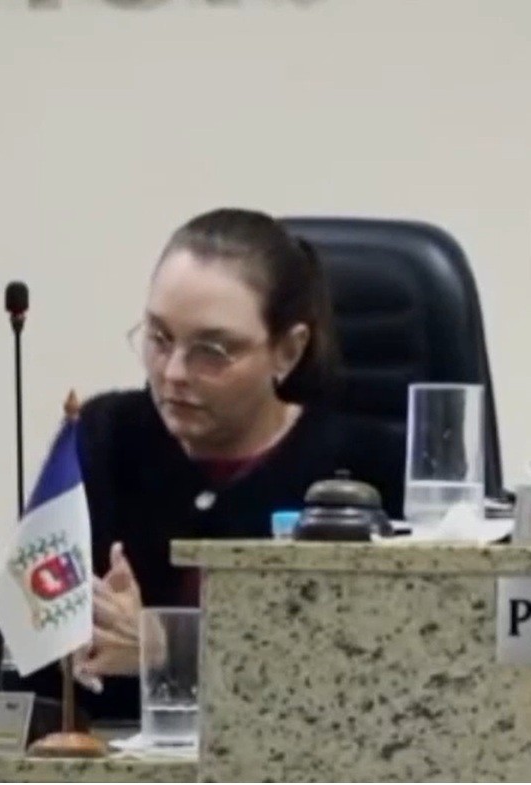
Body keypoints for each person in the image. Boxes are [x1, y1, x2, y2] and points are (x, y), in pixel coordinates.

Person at [24, 207, 405, 722]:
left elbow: (394, 683)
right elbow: (13, 659)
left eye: (213, 351)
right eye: (159, 338)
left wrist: (167, 654)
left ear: (288, 352)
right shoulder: (103, 436)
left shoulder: (367, 473)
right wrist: (66, 630)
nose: (174, 373)